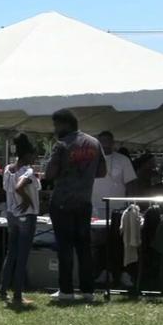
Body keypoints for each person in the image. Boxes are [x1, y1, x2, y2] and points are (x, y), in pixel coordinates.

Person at [44, 109, 107, 302]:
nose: (55, 129)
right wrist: (84, 176)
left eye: (56, 125)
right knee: (84, 248)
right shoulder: (94, 143)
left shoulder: (62, 144)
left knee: (65, 248)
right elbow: (102, 172)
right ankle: (88, 291)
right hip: (84, 201)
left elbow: (49, 174)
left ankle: (66, 291)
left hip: (62, 202)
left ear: (66, 124)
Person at [0, 134, 40, 308]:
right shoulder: (28, 171)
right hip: (26, 215)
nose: (35, 158)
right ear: (27, 155)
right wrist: (27, 199)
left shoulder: (8, 169)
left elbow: (11, 188)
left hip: (11, 215)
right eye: (33, 155)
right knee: (22, 256)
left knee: (11, 253)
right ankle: (17, 294)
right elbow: (19, 187)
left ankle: (3, 290)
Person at [91, 131, 137, 218]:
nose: (105, 144)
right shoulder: (89, 160)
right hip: (94, 207)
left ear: (113, 143)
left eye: (107, 141)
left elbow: (130, 184)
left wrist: (131, 204)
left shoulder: (123, 160)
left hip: (117, 208)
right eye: (102, 141)